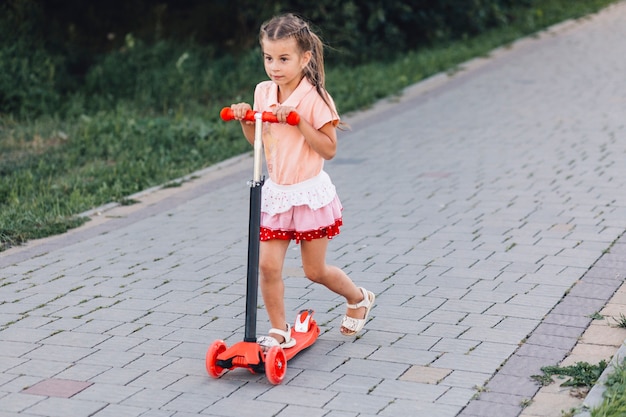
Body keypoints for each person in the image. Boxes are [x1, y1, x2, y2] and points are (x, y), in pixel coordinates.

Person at [229, 13, 374, 349]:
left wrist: (298, 122)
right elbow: (256, 140)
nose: (274, 66)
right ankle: (279, 329)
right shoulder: (264, 92)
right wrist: (243, 117)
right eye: (268, 58)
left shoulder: (315, 97)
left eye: (283, 59)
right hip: (278, 194)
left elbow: (329, 148)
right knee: (267, 266)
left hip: (309, 195)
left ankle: (358, 297)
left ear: (304, 57)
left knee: (315, 270)